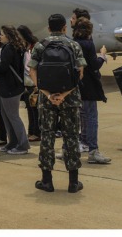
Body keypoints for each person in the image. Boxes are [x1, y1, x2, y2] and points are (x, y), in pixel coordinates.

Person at [29, 14, 86, 193]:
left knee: (47, 136)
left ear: (48, 28)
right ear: (64, 28)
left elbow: (32, 71)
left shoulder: (40, 45)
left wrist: (48, 94)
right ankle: (73, 182)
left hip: (47, 101)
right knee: (71, 137)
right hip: (70, 99)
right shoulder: (73, 45)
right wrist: (63, 95)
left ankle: (47, 180)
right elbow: (80, 73)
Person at [72, 18, 110, 164]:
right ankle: (93, 149)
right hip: (88, 86)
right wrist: (103, 56)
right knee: (91, 118)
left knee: (79, 117)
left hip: (75, 86)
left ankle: (77, 145)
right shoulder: (88, 44)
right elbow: (94, 65)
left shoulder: (73, 43)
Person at [0, 25, 30, 155]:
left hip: (10, 87)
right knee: (6, 116)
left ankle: (22, 145)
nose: (0, 37)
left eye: (2, 35)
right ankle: (13, 142)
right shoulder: (16, 47)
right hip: (11, 87)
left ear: (8, 36)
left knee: (12, 116)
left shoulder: (8, 48)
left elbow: (3, 67)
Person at [17, 25, 41, 142]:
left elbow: (33, 67)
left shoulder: (34, 47)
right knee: (30, 110)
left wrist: (37, 84)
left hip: (34, 84)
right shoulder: (26, 48)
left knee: (35, 110)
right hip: (27, 84)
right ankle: (31, 131)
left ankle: (37, 132)